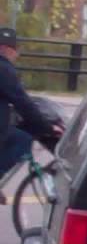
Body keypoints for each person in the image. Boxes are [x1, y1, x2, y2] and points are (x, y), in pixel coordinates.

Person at [0, 28, 59, 200]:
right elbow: (23, 103)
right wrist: (46, 127)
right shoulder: (4, 70)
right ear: (10, 50)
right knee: (23, 139)